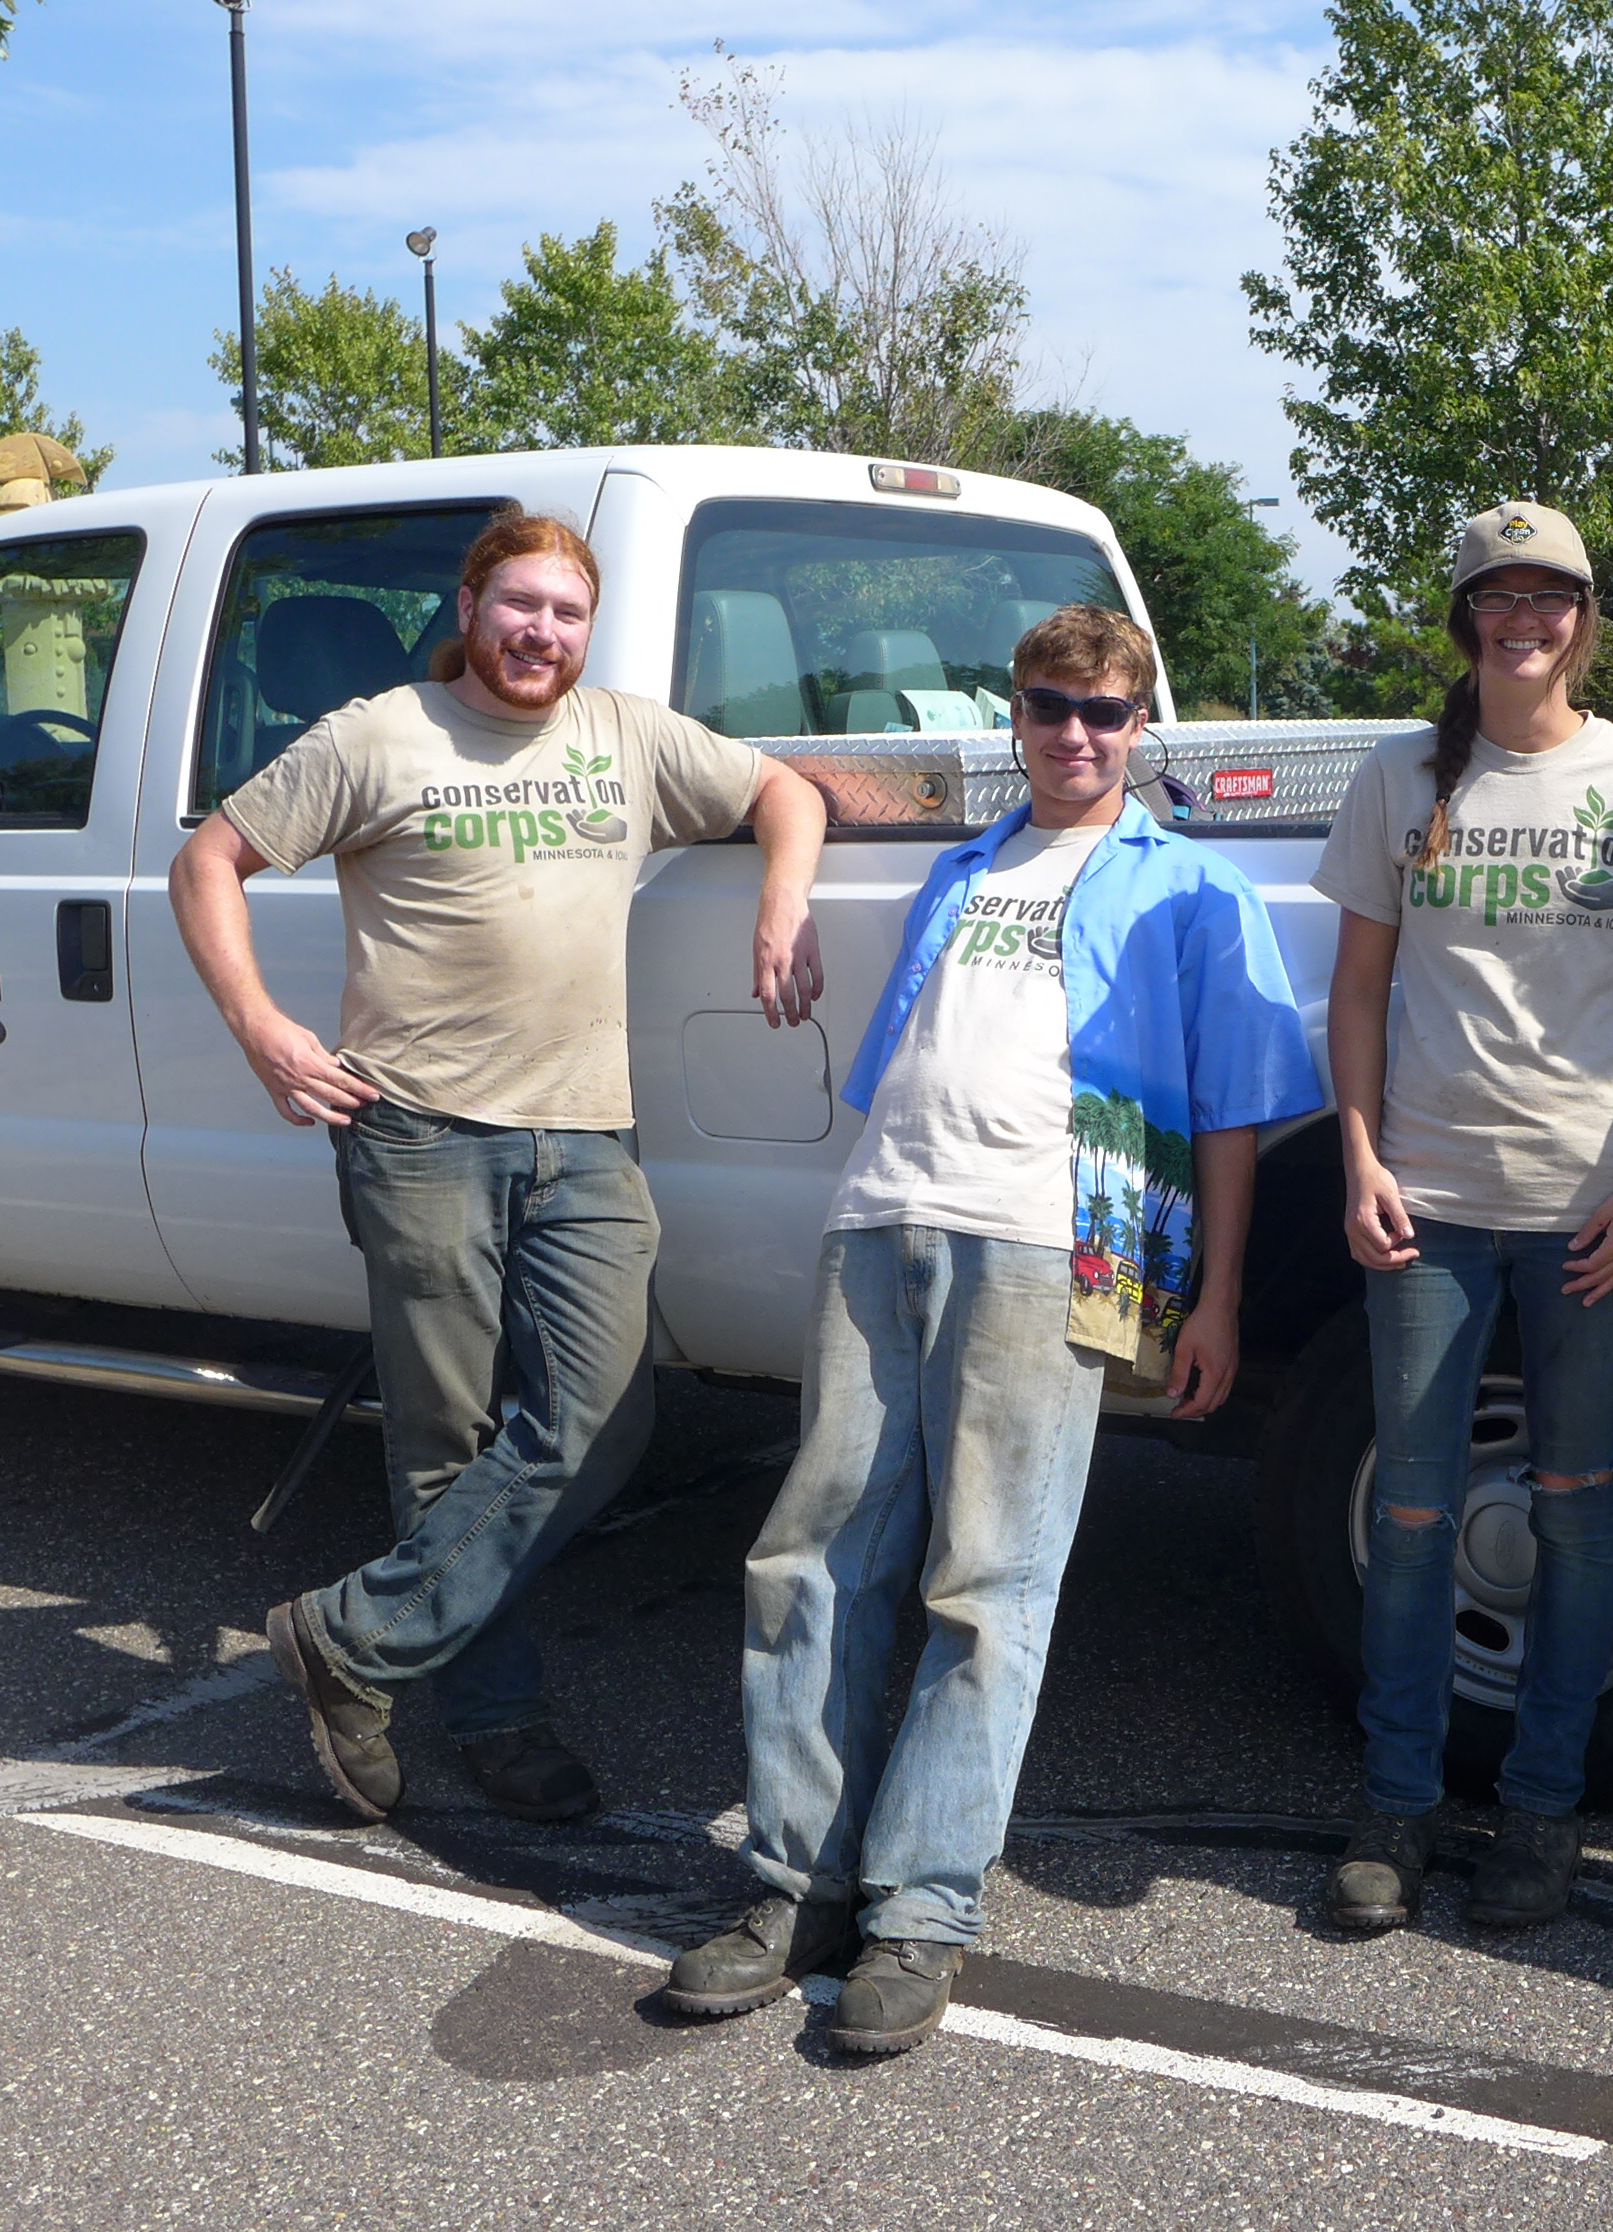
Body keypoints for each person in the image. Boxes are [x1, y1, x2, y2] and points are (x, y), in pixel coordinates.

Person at [659, 604, 1325, 2056]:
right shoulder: (961, 868)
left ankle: (921, 1908)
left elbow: (1234, 1110)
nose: (1074, 735)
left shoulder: (1191, 893)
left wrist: (1210, 1294)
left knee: (988, 1583)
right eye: (1048, 707)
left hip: (1050, 1244)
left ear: (1144, 730)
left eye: (1104, 713)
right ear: (1013, 719)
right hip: (883, 1219)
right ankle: (792, 1883)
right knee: (812, 1554)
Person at [170, 507, 828, 1826]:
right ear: (471, 611)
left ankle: (350, 1641)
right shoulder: (379, 734)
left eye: (567, 612)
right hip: (415, 1130)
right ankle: (495, 1718)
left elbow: (783, 789)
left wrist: (782, 895)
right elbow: (208, 861)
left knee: (602, 1417)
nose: (542, 632)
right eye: (519, 605)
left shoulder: (628, 735)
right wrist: (262, 1028)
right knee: (444, 1441)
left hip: (585, 1132)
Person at [1306, 501, 1613, 1936]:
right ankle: (1398, 1806)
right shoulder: (1402, 779)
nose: (1523, 620)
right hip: (1429, 1206)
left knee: (1571, 1507)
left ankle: (1542, 1817)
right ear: (1467, 621)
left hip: (1591, 1207)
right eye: (1497, 597)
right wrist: (1358, 1156)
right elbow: (1356, 989)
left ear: (1585, 620)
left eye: (1550, 598)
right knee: (1413, 1513)